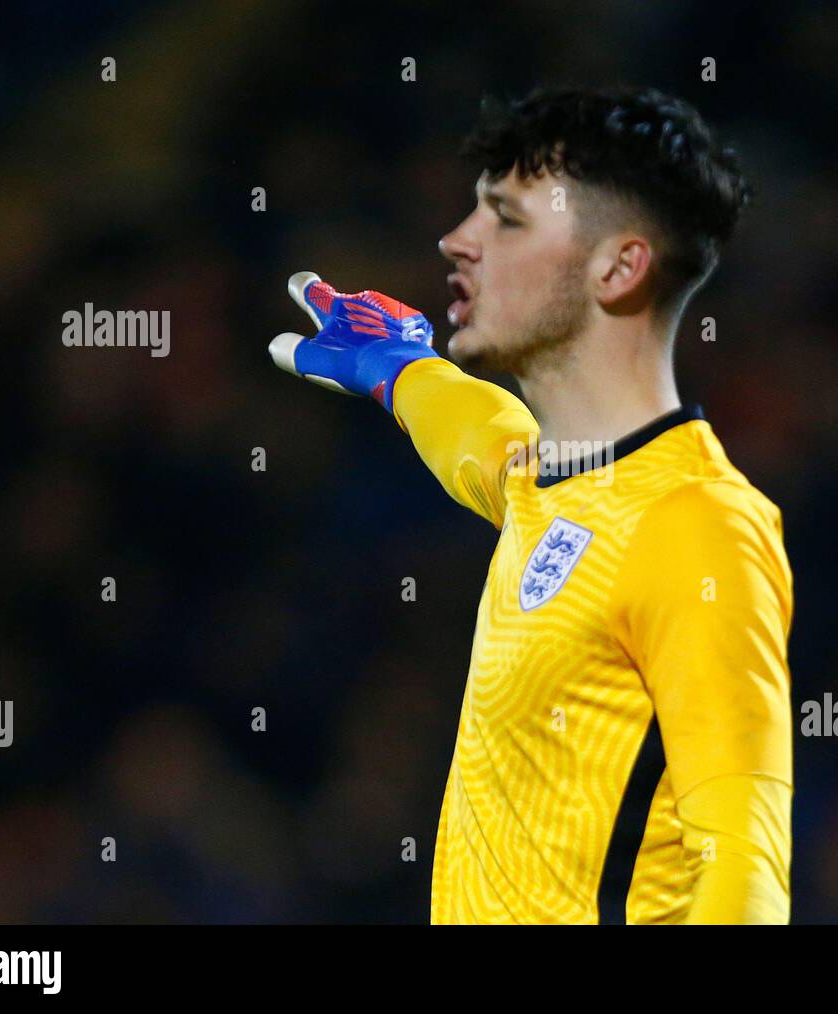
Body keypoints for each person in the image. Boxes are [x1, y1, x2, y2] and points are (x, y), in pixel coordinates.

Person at [269, 85, 794, 924]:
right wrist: (405, 372)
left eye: (506, 221)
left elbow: (743, 865)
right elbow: (493, 451)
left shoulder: (700, 527)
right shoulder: (564, 484)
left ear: (618, 268)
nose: (456, 241)